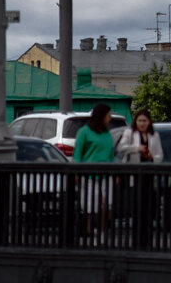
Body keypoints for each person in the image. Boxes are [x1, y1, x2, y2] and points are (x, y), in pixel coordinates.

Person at [73, 103, 117, 240]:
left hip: (106, 174)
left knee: (107, 204)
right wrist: (77, 171)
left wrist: (115, 172)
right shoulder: (85, 132)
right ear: (101, 116)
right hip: (89, 174)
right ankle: (88, 231)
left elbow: (111, 155)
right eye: (108, 116)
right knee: (89, 205)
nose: (110, 118)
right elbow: (78, 154)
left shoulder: (107, 133)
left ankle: (103, 232)